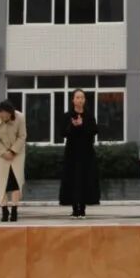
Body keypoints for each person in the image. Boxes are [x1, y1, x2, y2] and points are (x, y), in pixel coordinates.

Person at [59, 90, 99, 219]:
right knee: (72, 179)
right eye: (77, 97)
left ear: (85, 100)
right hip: (72, 152)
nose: (80, 100)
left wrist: (82, 125)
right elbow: (62, 133)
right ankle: (74, 208)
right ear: (73, 100)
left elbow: (94, 131)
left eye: (82, 97)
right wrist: (72, 125)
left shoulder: (89, 115)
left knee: (84, 179)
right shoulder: (67, 115)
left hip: (86, 152)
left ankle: (82, 209)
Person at [0, 99, 27, 221]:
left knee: (16, 180)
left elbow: (22, 136)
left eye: (7, 116)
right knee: (3, 183)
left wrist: (13, 151)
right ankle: (4, 210)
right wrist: (3, 152)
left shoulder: (20, 117)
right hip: (0, 154)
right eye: (2, 116)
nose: (4, 118)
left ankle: (15, 209)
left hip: (17, 153)